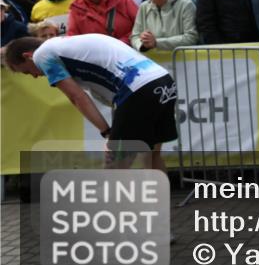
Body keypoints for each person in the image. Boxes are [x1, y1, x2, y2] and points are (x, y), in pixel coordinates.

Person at [5, 34, 177, 170]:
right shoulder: (64, 44)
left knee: (115, 162)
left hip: (138, 87)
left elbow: (77, 97)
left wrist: (107, 132)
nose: (35, 76)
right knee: (151, 155)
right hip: (162, 79)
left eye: (28, 72)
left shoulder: (42, 55)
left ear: (28, 56)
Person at [130, 0, 198, 52]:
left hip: (182, 61)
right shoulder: (143, 7)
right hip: (152, 61)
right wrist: (143, 44)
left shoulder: (186, 5)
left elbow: (191, 37)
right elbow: (134, 36)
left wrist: (156, 43)